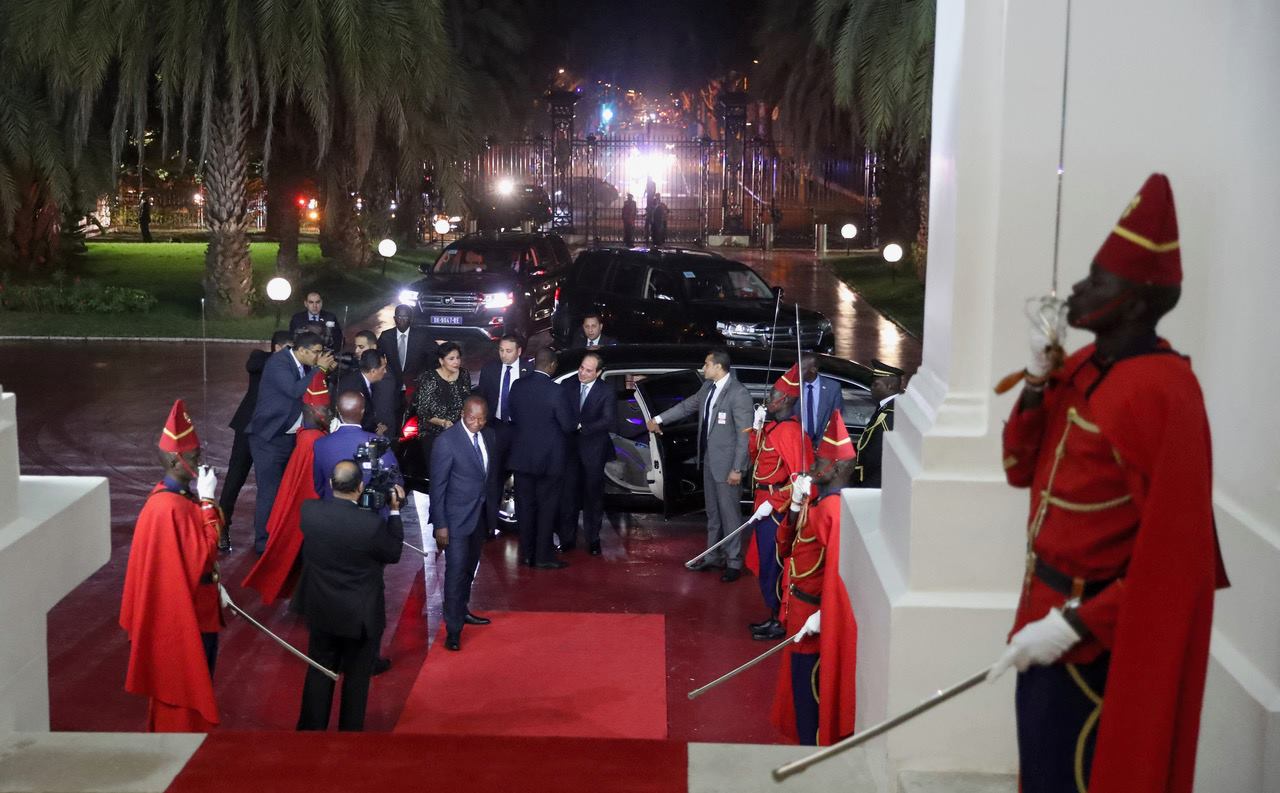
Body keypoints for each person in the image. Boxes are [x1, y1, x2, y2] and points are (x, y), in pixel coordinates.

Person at [986, 174, 1229, 793]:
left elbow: (1179, 558)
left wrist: (1079, 623)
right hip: (1041, 609)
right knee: (1041, 771)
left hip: (1092, 634)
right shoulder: (1086, 368)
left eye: (1099, 280)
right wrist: (1039, 382)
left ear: (1139, 301)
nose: (1077, 289)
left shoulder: (1164, 393)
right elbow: (1019, 469)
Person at [119, 399, 224, 731]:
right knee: (186, 685)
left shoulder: (171, 498)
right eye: (194, 458)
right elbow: (203, 555)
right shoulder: (170, 507)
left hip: (198, 606)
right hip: (189, 614)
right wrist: (208, 503)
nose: (200, 463)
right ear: (176, 461)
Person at [293, 460, 404, 731]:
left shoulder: (309, 513)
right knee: (356, 681)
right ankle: (349, 736)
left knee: (319, 671)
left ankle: (310, 732)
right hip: (360, 616)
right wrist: (394, 511)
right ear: (361, 487)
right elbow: (393, 553)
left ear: (331, 485)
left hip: (322, 610)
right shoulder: (370, 526)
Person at [770, 416, 858, 747]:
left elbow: (837, 573)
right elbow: (788, 543)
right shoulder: (816, 501)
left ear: (835, 469)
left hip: (811, 614)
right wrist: (794, 505)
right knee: (796, 684)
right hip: (797, 607)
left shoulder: (834, 511)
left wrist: (825, 613)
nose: (814, 463)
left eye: (821, 460)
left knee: (809, 688)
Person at [646, 348, 753, 581]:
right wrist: (658, 419)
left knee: (730, 515)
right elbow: (686, 407)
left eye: (707, 364)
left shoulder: (738, 394)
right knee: (713, 514)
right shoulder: (707, 388)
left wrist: (738, 468)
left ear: (719, 367)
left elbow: (745, 436)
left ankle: (734, 561)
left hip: (727, 468)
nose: (703, 368)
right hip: (709, 463)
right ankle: (713, 555)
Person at [241, 372, 330, 604]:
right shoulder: (314, 441)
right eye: (323, 410)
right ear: (310, 410)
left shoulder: (307, 436)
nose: (326, 415)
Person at [246, 331, 335, 554]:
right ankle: (262, 543)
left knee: (287, 491)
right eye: (316, 352)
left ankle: (282, 537)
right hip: (269, 438)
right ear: (302, 351)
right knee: (269, 491)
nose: (318, 356)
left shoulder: (303, 363)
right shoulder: (279, 363)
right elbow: (295, 391)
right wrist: (319, 369)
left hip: (289, 437)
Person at [745, 364, 812, 640]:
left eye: (772, 396)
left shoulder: (791, 433)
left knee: (775, 565)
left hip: (776, 509)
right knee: (764, 563)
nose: (768, 401)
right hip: (762, 500)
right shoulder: (774, 427)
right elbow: (757, 460)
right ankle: (773, 613)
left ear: (785, 400)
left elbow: (799, 479)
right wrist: (757, 429)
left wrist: (774, 503)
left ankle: (780, 618)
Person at [429, 396, 497, 651]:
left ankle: (462, 608)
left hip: (478, 518)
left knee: (469, 569)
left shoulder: (489, 436)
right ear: (462, 413)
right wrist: (440, 525)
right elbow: (438, 487)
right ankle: (453, 629)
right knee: (455, 573)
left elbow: (489, 476)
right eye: (472, 418)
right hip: (454, 521)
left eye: (481, 419)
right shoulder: (446, 442)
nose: (476, 423)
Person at [221, 330, 291, 550]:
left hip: (269, 434)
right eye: (289, 349)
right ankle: (221, 528)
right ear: (277, 348)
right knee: (235, 479)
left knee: (268, 486)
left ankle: (268, 534)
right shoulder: (260, 358)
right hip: (247, 430)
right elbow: (252, 364)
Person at [508, 347, 574, 568]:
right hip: (549, 461)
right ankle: (543, 556)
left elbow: (512, 415)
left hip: (522, 457)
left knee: (525, 509)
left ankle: (527, 554)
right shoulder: (557, 391)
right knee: (546, 509)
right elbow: (567, 425)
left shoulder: (518, 386)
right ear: (553, 366)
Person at [559, 351, 617, 555]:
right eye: (581, 368)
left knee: (593, 497)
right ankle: (567, 539)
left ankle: (593, 539)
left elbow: (608, 420)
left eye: (588, 370)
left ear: (598, 372)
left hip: (593, 450)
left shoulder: (606, 391)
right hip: (569, 451)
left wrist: (582, 426)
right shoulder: (567, 385)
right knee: (568, 496)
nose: (582, 373)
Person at [473, 334, 531, 535]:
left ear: (519, 351)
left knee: (522, 477)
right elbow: (482, 399)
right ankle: (490, 525)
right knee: (493, 477)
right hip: (496, 428)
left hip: (521, 431)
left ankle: (523, 522)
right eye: (501, 350)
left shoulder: (529, 371)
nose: (504, 355)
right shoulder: (490, 370)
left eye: (508, 351)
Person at [313, 391, 401, 502]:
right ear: (363, 411)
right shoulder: (380, 442)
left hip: (333, 508)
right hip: (370, 512)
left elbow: (319, 485)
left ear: (337, 410)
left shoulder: (321, 444)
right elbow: (395, 480)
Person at [412, 341, 472, 461]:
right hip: (434, 432)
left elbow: (467, 400)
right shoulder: (429, 378)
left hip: (459, 431)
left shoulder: (464, 374)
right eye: (451, 359)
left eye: (458, 358)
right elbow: (422, 411)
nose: (456, 362)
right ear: (441, 361)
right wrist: (443, 422)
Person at [852, 360, 903, 488]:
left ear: (890, 386)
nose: (871, 388)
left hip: (875, 481)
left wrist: (860, 479)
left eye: (876, 384)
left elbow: (875, 454)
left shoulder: (890, 414)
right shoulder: (885, 407)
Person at [377, 304, 437, 399]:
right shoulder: (386, 337)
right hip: (393, 386)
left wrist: (425, 374)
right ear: (394, 318)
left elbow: (434, 357)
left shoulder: (422, 337)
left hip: (415, 386)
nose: (401, 319)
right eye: (399, 316)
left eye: (405, 316)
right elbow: (377, 357)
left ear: (411, 319)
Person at [794, 353, 845, 451]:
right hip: (797, 446)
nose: (797, 372)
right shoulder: (793, 386)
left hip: (823, 447)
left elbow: (836, 421)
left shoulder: (832, 388)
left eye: (802, 369)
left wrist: (820, 445)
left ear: (814, 369)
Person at [337, 349, 390, 435]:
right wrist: (375, 432)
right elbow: (353, 419)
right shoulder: (353, 388)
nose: (385, 371)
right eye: (383, 368)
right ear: (373, 371)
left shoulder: (363, 378)